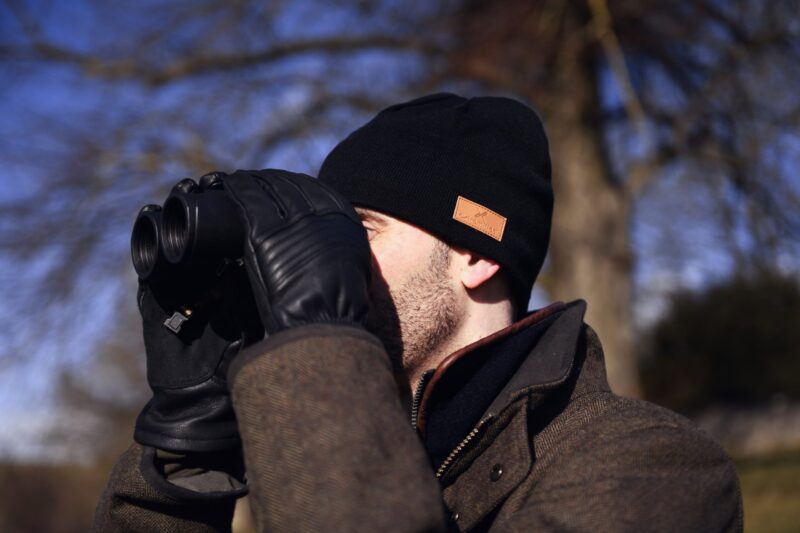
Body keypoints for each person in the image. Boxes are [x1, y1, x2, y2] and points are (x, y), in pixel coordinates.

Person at [93, 93, 743, 532]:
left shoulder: (652, 464)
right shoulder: (306, 448)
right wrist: (187, 450)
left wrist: (315, 345)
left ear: (474, 254)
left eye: (359, 231)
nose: (333, 261)